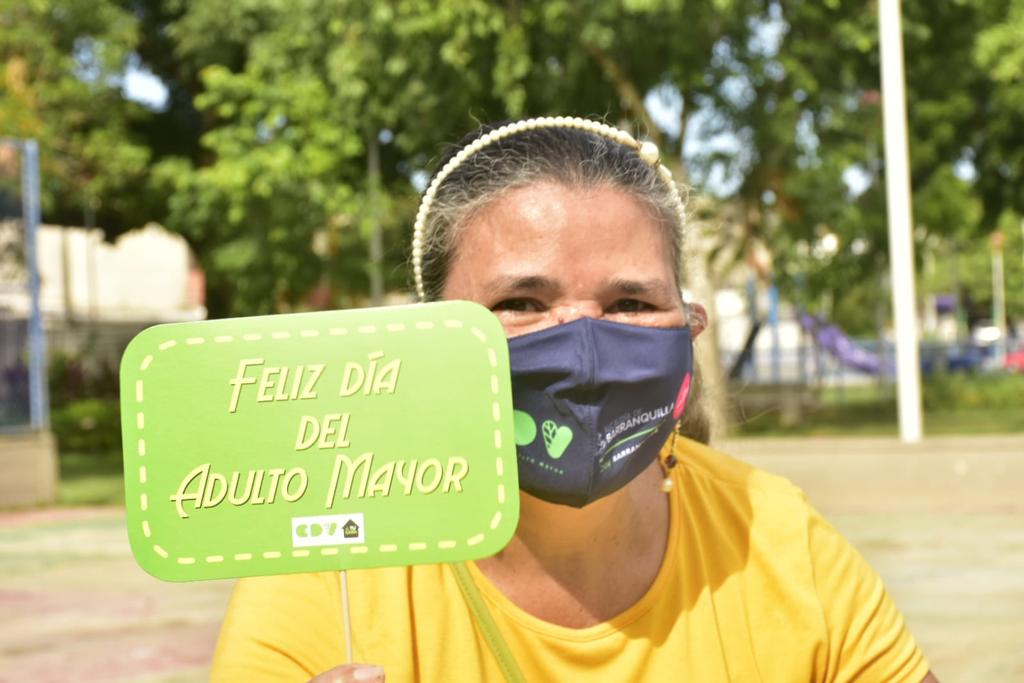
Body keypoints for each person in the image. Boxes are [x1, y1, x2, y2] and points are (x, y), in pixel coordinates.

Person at [211, 117, 938, 682]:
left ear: (688, 326)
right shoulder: (331, 567)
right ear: (426, 331)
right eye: (522, 300)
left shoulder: (776, 538)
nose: (582, 346)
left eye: (629, 301)